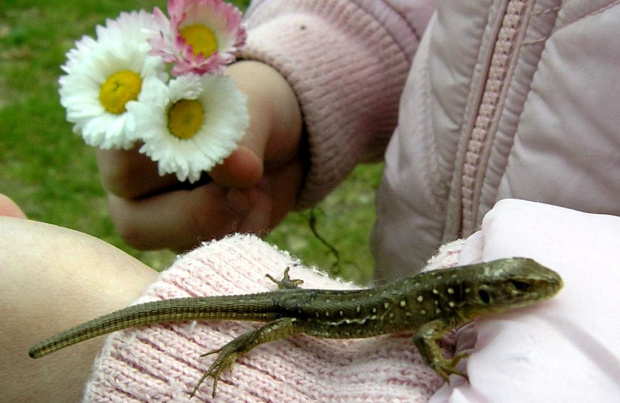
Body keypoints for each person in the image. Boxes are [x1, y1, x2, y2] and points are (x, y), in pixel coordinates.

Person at [2, 0, 619, 401]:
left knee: (280, 315)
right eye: (518, 289)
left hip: (326, 303)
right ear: (484, 294)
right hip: (304, 311)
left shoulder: (455, 302)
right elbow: (430, 342)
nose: (531, 291)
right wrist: (305, 68)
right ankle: (228, 354)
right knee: (263, 330)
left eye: (521, 288)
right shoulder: (448, 309)